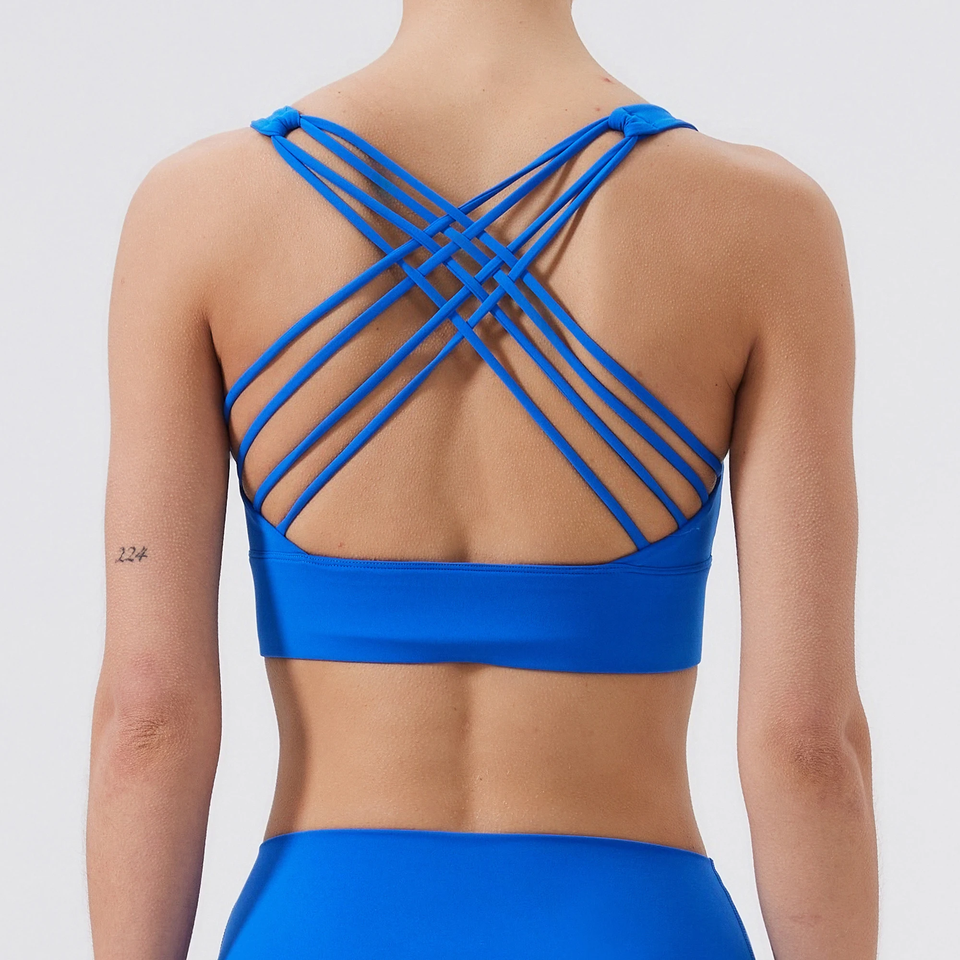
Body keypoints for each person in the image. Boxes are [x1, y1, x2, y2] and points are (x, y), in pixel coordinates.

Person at [86, 0, 878, 957]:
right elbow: (808, 744)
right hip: (633, 925)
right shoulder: (765, 224)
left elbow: (148, 717)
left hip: (326, 925)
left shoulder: (196, 212)